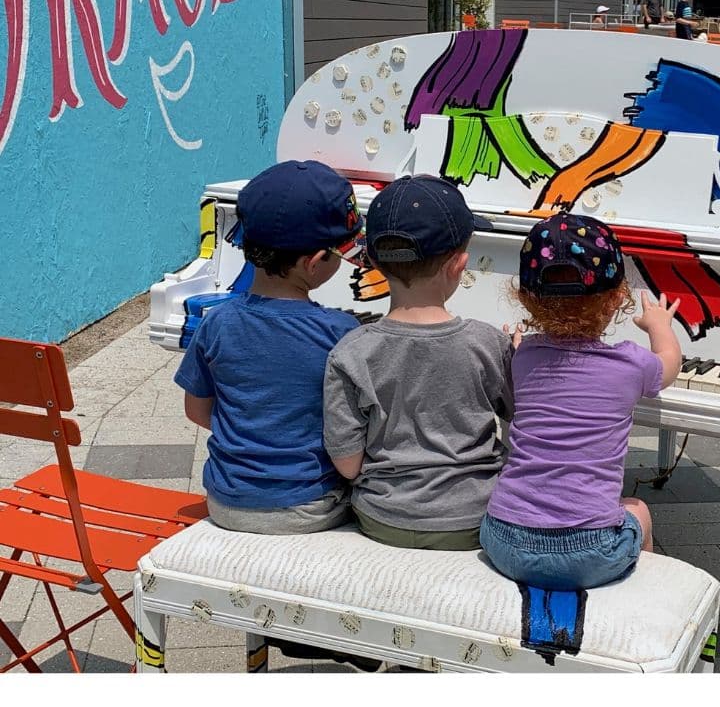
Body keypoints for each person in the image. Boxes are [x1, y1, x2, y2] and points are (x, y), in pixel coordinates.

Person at [479, 213, 682, 591]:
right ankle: (644, 599)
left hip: (503, 538)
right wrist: (660, 327)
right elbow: (669, 365)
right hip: (589, 552)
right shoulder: (630, 364)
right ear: (617, 297)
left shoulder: (524, 358)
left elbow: (527, 357)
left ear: (526, 298)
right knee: (638, 510)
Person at [323, 174, 515, 551]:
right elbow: (525, 423)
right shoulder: (489, 343)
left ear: (374, 261)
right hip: (477, 517)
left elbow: (347, 465)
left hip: (383, 519)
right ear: (459, 265)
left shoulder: (350, 351)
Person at [176, 160, 364, 535]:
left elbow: (197, 411)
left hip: (226, 502)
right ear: (314, 264)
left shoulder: (216, 322)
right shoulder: (342, 332)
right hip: (309, 507)